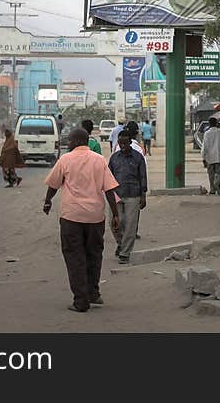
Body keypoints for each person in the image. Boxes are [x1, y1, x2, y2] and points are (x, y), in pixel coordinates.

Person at [43, 128, 120, 312]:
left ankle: (81, 300)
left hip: (72, 217)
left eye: (69, 140)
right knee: (94, 255)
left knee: (74, 257)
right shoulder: (99, 160)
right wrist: (116, 214)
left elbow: (54, 184)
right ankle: (93, 293)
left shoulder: (66, 160)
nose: (67, 143)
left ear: (77, 141)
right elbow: (109, 189)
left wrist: (47, 201)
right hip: (95, 217)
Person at [108, 131, 148, 264]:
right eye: (120, 143)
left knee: (131, 225)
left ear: (130, 142)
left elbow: (143, 176)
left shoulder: (138, 158)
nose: (123, 145)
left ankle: (125, 253)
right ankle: (120, 243)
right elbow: (108, 177)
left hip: (134, 195)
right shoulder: (114, 158)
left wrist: (143, 195)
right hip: (116, 195)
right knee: (114, 223)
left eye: (125, 143)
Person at [201, 117, 220, 195]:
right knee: (219, 174)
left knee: (211, 175)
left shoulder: (207, 133)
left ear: (209, 124)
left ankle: (212, 189)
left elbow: (204, 146)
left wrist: (203, 157)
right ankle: (217, 185)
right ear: (216, 123)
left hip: (210, 158)